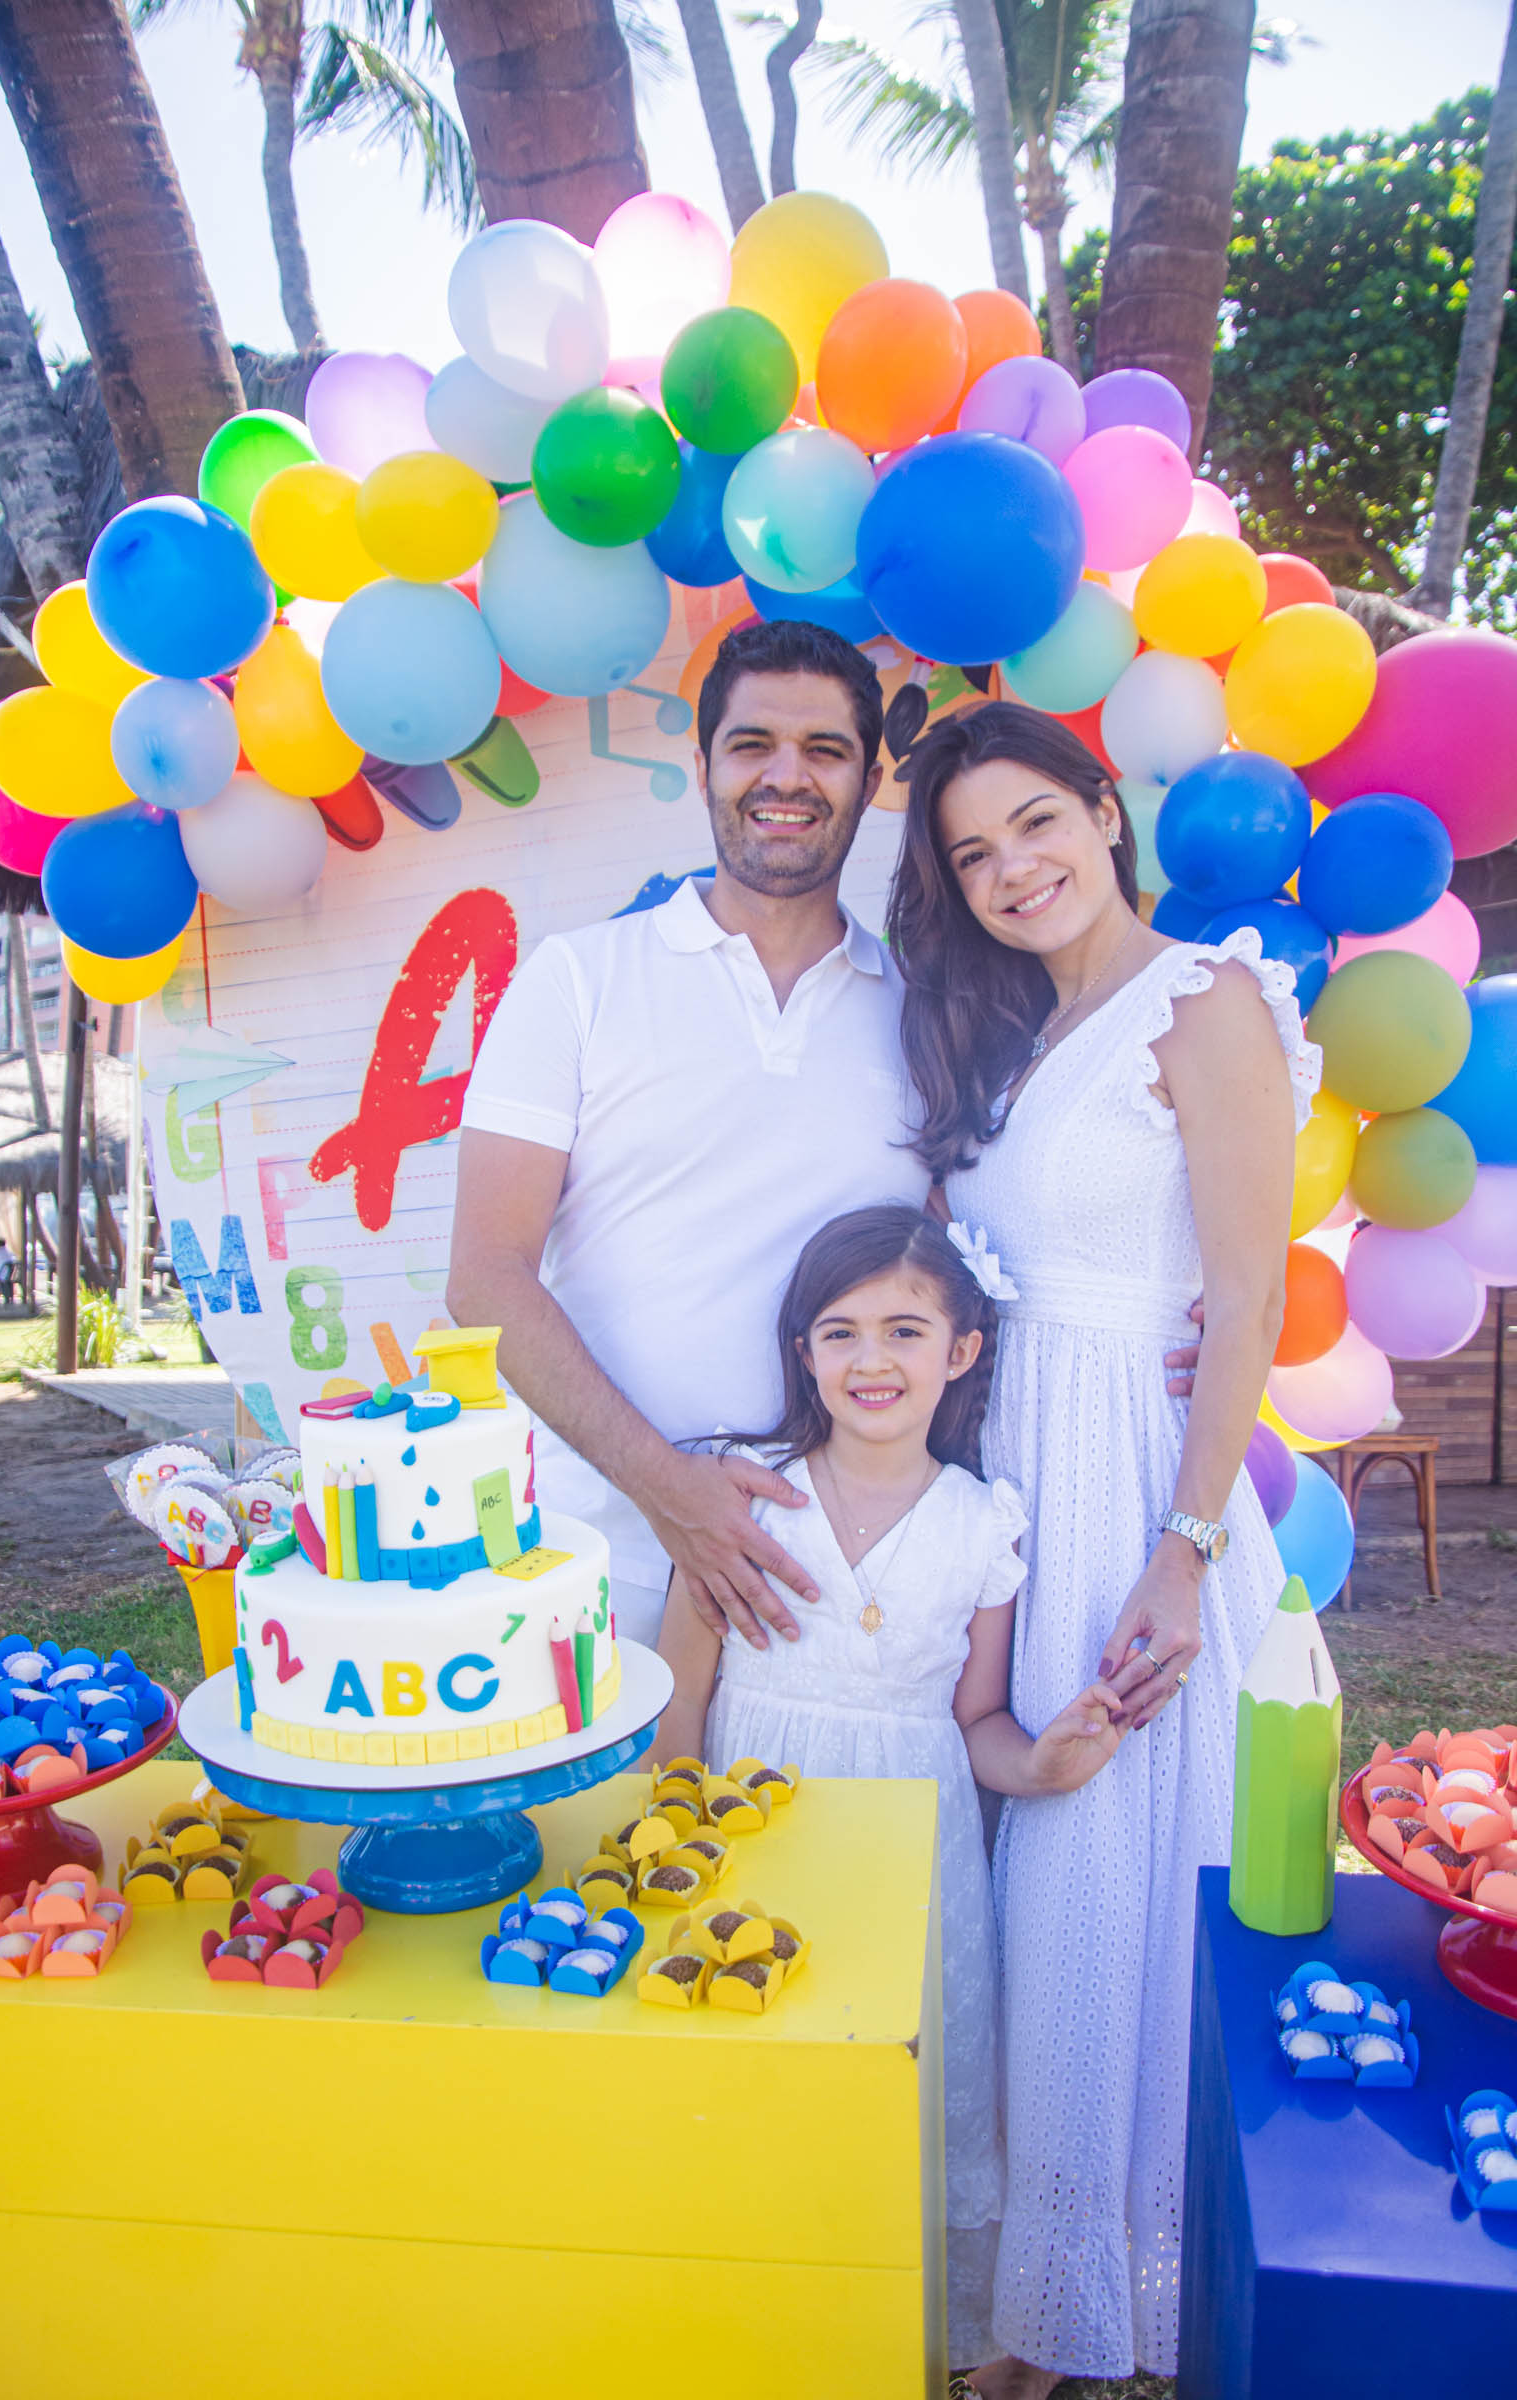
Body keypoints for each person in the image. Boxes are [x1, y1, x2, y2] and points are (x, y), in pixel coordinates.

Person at [887, 702, 1315, 2397]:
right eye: (973, 855)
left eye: (1035, 825)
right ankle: (1043, 2276)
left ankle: (1091, 2304)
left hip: (1139, 1490)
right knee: (1031, 1856)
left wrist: (1182, 1552)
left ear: (1103, 812)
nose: (1013, 871)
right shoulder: (1012, 1034)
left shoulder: (1206, 1002)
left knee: (1107, 1868)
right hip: (1025, 1479)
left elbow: (1248, 1299)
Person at [653, 1203, 1125, 2373]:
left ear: (960, 1351)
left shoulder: (981, 1522)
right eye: (841, 1332)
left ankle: (891, 2332)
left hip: (912, 1867)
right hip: (758, 1837)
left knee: (902, 2077)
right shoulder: (739, 1496)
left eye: (905, 1331)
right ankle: (753, 2317)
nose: (872, 1359)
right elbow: (679, 1700)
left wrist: (1040, 1764)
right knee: (758, 2063)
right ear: (803, 1352)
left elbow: (975, 1721)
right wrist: (678, 1841)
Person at [449, 618, 932, 1649]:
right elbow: (484, 1277)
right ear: (704, 765)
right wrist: (668, 1489)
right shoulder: (577, 979)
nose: (786, 777)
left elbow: (973, 1253)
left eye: (826, 750)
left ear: (870, 779)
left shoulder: (924, 1015)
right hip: (595, 1555)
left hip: (839, 1579)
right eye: (753, 745)